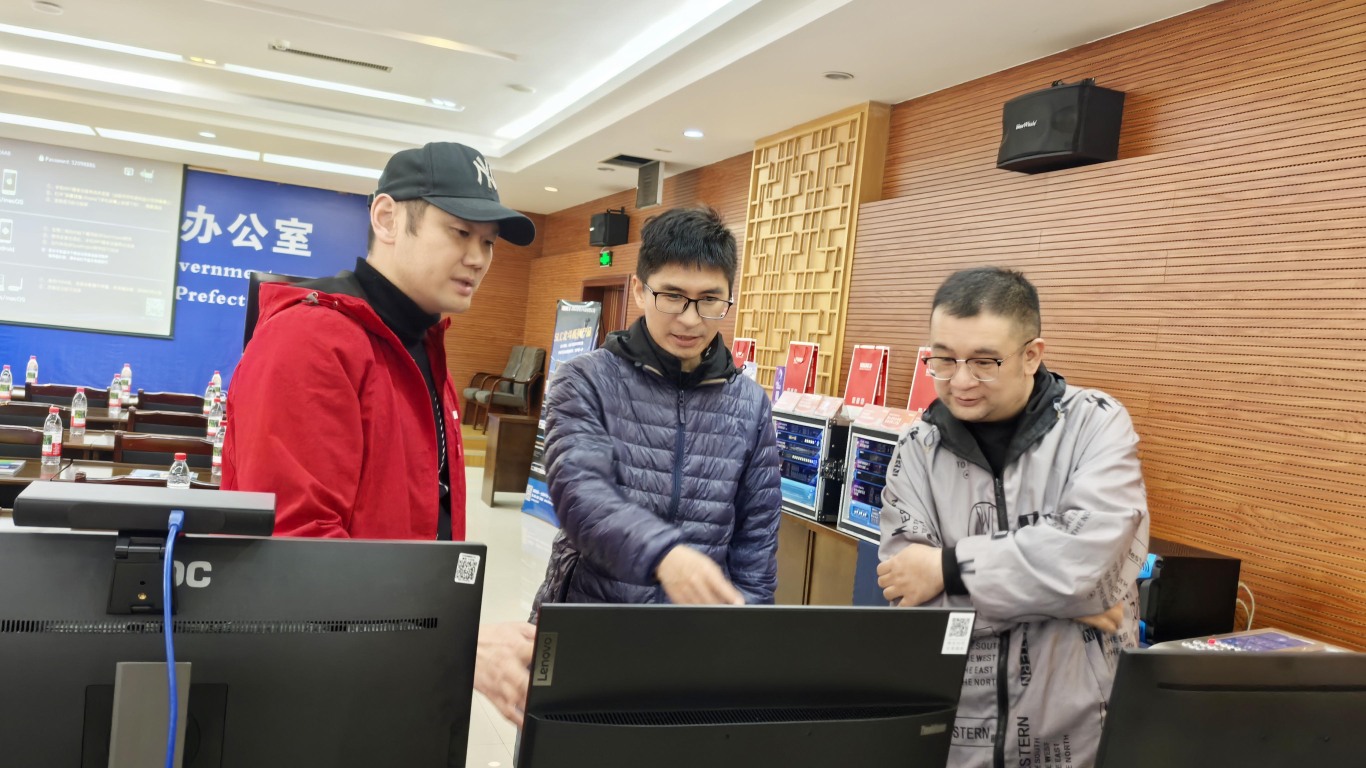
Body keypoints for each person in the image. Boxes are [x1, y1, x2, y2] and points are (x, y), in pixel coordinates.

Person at [223, 141, 538, 724]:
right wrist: (451, 638)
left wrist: (447, 633)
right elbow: (295, 547)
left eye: (489, 242)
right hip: (317, 692)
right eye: (460, 232)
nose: (478, 258)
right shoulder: (311, 340)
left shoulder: (421, 345)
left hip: (400, 670)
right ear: (388, 218)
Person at [876, 267, 1149, 768]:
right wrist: (1065, 602)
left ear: (1031, 355)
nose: (961, 381)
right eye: (944, 359)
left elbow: (1092, 566)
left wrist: (948, 568)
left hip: (1076, 738)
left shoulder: (1095, 424)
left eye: (984, 362)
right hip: (957, 733)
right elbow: (911, 602)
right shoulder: (917, 447)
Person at [531, 206, 781, 612]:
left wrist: (747, 629)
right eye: (673, 296)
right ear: (639, 290)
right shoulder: (585, 380)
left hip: (694, 630)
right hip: (591, 616)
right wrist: (664, 555)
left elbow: (757, 540)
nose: (690, 319)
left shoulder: (750, 405)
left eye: (710, 300)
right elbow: (581, 495)